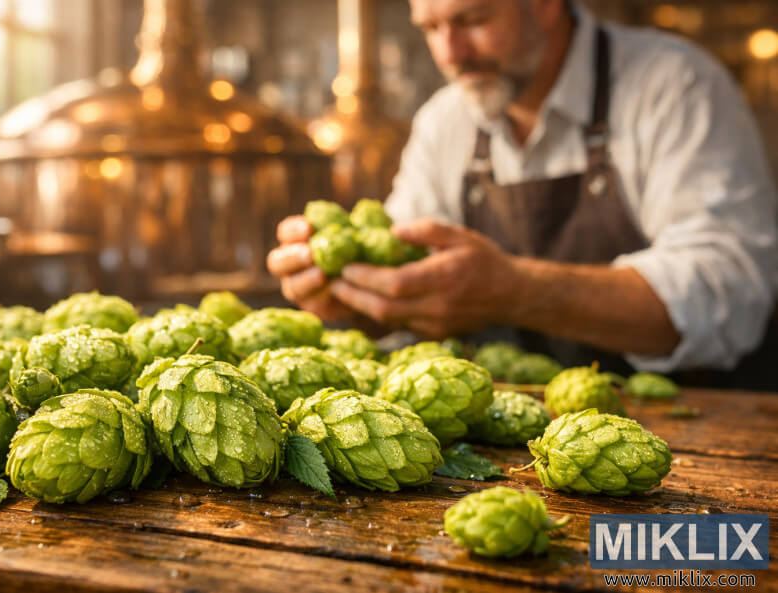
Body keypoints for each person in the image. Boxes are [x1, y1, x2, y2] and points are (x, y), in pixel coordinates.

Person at [267, 0, 778, 388]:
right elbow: (408, 270)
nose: (451, 54)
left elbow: (729, 291)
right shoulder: (446, 120)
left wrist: (515, 289)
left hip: (692, 444)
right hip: (519, 454)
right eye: (431, 28)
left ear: (545, 4)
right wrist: (349, 291)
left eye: (472, 20)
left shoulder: (673, 86)